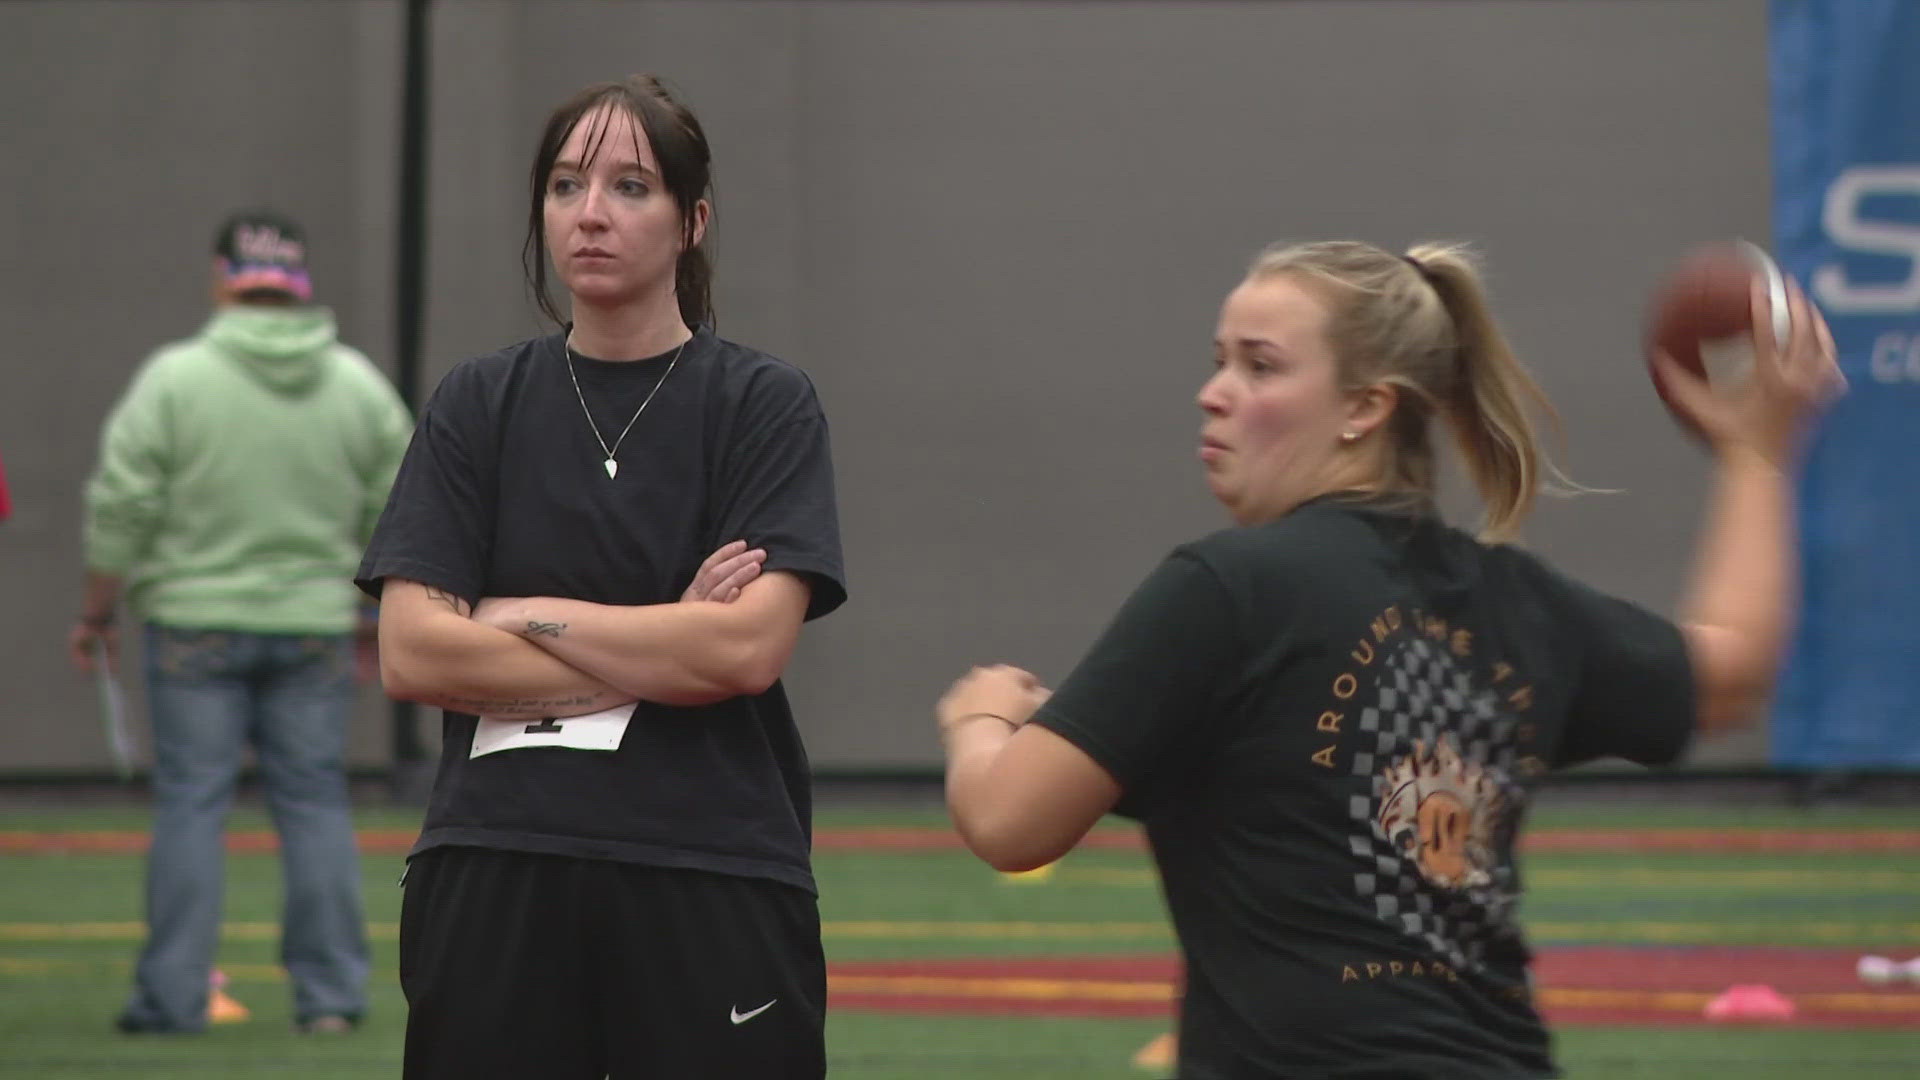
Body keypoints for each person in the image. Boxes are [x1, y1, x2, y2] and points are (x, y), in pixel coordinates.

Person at [937, 240, 1841, 1079]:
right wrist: (1757, 456)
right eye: (1219, 361)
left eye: (1260, 365)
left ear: (1368, 408)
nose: (1214, 392)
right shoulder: (1513, 601)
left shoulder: (1223, 590)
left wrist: (980, 718)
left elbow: (1011, 823)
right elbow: (1734, 672)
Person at [357, 74, 845, 1080]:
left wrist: (519, 617)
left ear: (692, 219)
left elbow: (746, 649)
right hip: (495, 858)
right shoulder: (479, 404)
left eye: (630, 187)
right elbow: (411, 652)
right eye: (567, 184)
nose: (590, 214)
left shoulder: (764, 405)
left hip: (710, 862)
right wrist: (668, 640)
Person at [74, 209, 411, 1035]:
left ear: (224, 277)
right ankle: (331, 1001)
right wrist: (377, 615)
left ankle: (172, 999)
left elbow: (121, 503)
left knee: (191, 805)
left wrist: (97, 611)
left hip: (191, 623)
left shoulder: (175, 379)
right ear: (299, 281)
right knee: (316, 804)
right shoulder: (355, 383)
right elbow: (405, 505)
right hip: (313, 625)